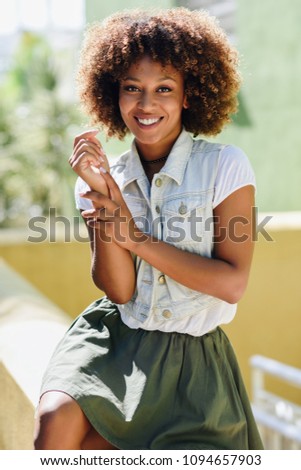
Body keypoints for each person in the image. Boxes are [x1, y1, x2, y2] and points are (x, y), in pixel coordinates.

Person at [34, 7, 264, 450]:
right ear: (113, 94)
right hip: (114, 343)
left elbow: (232, 283)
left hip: (192, 360)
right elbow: (119, 291)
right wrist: (104, 195)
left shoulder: (225, 167)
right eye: (131, 89)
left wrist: (135, 237)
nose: (145, 104)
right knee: (56, 423)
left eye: (164, 88)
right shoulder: (104, 178)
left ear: (188, 96)